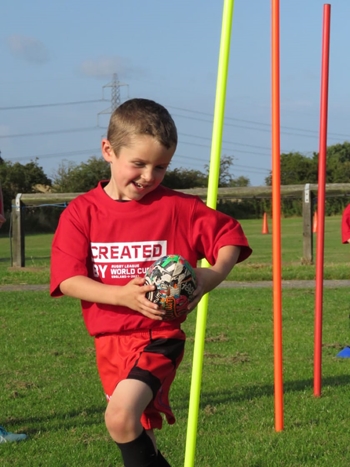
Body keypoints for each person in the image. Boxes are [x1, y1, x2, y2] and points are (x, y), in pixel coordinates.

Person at [50, 98, 252, 467]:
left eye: (161, 167)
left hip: (159, 338)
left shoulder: (178, 208)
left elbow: (230, 238)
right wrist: (121, 296)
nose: (149, 176)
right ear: (108, 150)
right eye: (139, 164)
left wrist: (211, 275)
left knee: (120, 417)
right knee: (138, 431)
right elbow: (67, 280)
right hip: (109, 343)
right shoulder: (82, 213)